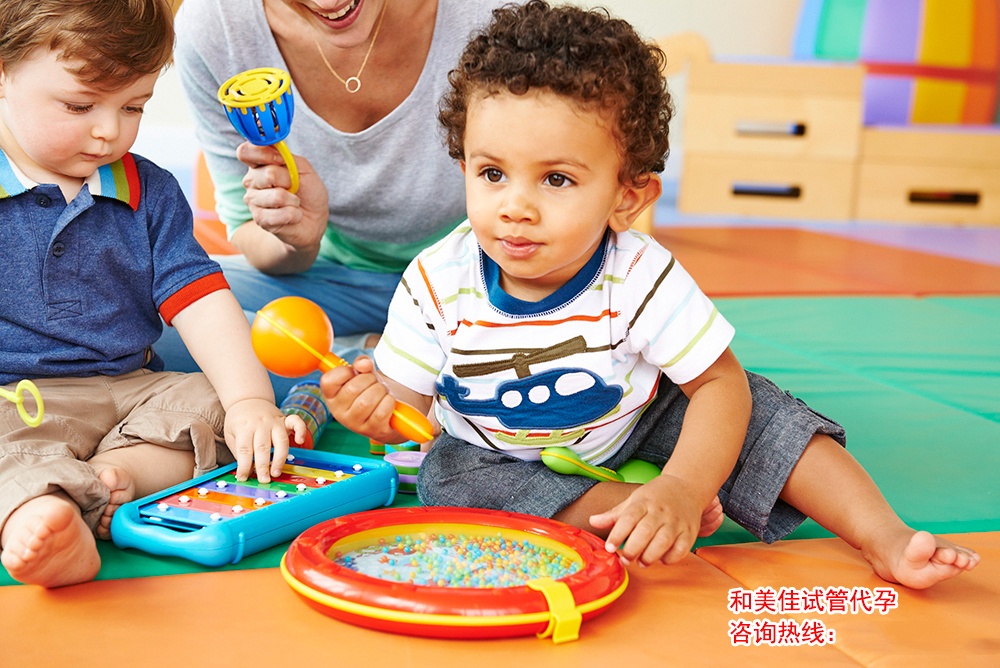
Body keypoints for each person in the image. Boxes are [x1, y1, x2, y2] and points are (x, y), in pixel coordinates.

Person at [321, 0, 981, 589]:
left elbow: (719, 385)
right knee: (448, 478)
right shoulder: (436, 279)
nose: (515, 206)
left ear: (627, 197)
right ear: (465, 165)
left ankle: (882, 534)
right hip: (498, 451)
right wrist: (370, 408)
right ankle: (629, 514)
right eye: (493, 173)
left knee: (759, 411)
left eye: (556, 180)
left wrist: (687, 482)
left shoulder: (638, 272)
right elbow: (405, 407)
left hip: (635, 420)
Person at [0, 0, 305, 588]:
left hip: (131, 390)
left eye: (133, 106)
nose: (108, 131)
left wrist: (248, 401)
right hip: (19, 401)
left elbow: (200, 299)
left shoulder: (148, 190)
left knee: (219, 403)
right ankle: (42, 518)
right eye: (80, 105)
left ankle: (116, 478)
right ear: (4, 73)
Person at [168, 0, 513, 397]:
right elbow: (246, 230)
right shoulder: (216, 25)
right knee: (142, 308)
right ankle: (371, 364)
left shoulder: (486, 10)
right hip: (335, 281)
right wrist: (298, 240)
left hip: (477, 277)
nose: (330, 3)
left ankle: (376, 369)